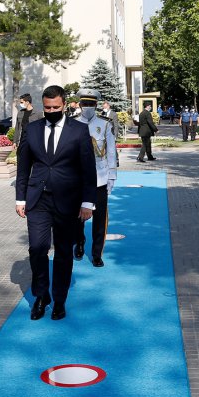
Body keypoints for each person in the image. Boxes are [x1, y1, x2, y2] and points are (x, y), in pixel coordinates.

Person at [15, 85, 98, 321]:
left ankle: (59, 299)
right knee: (37, 248)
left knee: (63, 252)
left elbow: (88, 170)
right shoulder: (32, 130)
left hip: (67, 200)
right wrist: (20, 198)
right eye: (47, 107)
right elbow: (23, 168)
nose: (51, 111)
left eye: (56, 107)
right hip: (37, 199)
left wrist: (87, 202)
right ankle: (41, 296)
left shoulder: (79, 130)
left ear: (64, 106)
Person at [73, 89, 117, 267]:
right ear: (80, 105)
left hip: (100, 176)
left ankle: (97, 253)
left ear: (96, 105)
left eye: (91, 104)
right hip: (78, 178)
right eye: (85, 104)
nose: (88, 107)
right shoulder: (72, 124)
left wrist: (112, 175)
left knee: (99, 218)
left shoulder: (104, 124)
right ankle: (79, 242)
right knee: (77, 216)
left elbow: (111, 151)